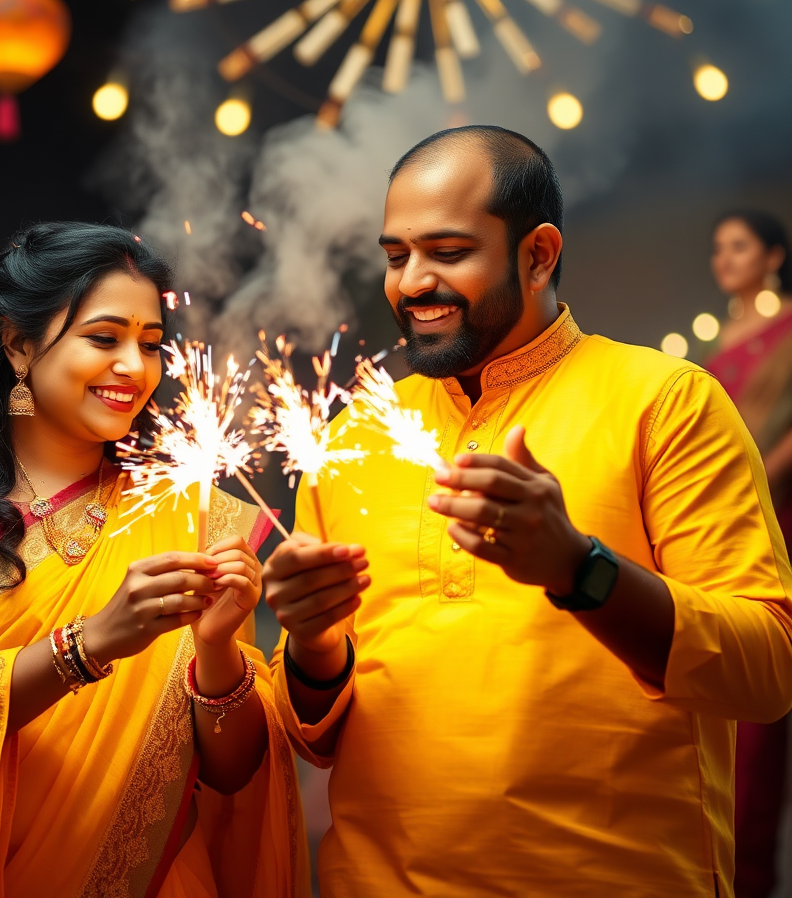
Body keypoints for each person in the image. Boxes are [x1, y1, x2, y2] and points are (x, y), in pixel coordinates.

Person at [262, 126, 792, 898]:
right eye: (395, 255)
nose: (410, 283)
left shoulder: (663, 400)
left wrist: (580, 571)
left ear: (538, 254)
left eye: (446, 253)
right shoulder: (356, 431)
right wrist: (309, 642)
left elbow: (767, 673)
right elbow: (313, 733)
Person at [0, 224, 309, 898]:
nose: (135, 369)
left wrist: (218, 647)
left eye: (150, 344)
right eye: (104, 338)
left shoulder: (192, 513)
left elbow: (234, 774)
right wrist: (93, 643)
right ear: (18, 344)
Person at [706, 210, 792, 898]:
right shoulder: (722, 338)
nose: (723, 259)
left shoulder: (789, 332)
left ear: (774, 256)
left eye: (738, 246)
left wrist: (758, 479)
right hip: (713, 520)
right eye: (717, 249)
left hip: (775, 516)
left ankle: (752, 873)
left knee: (759, 697)